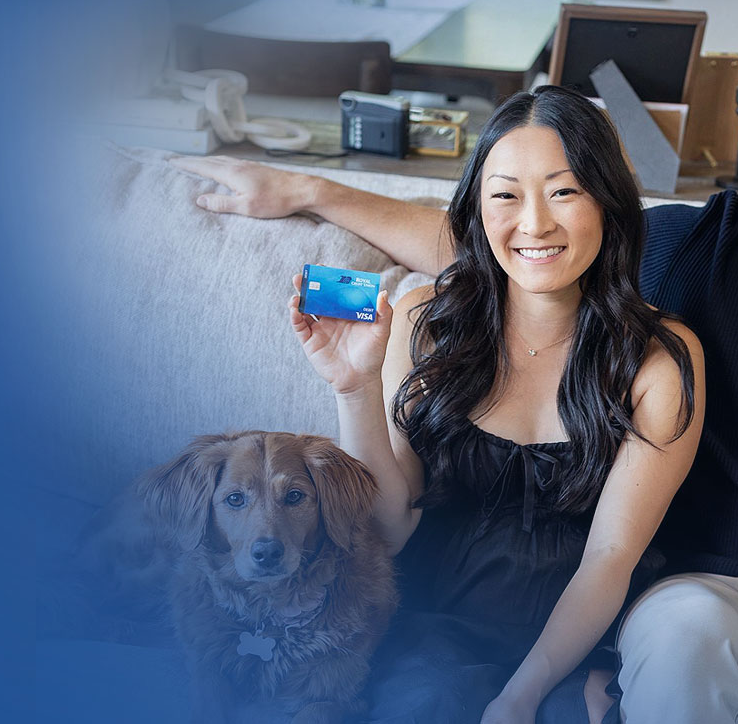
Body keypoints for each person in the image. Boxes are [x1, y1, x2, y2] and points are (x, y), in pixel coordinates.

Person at [170, 2, 738, 724]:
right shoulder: (689, 249)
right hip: (700, 598)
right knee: (679, 642)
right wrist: (308, 189)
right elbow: (514, 247)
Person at [284, 85, 704, 724]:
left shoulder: (658, 357)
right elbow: (389, 528)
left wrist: (519, 697)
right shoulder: (423, 323)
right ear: (477, 210)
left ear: (608, 203)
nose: (535, 224)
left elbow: (609, 559)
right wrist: (354, 388)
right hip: (435, 629)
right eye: (506, 195)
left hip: (581, 640)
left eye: (564, 191)